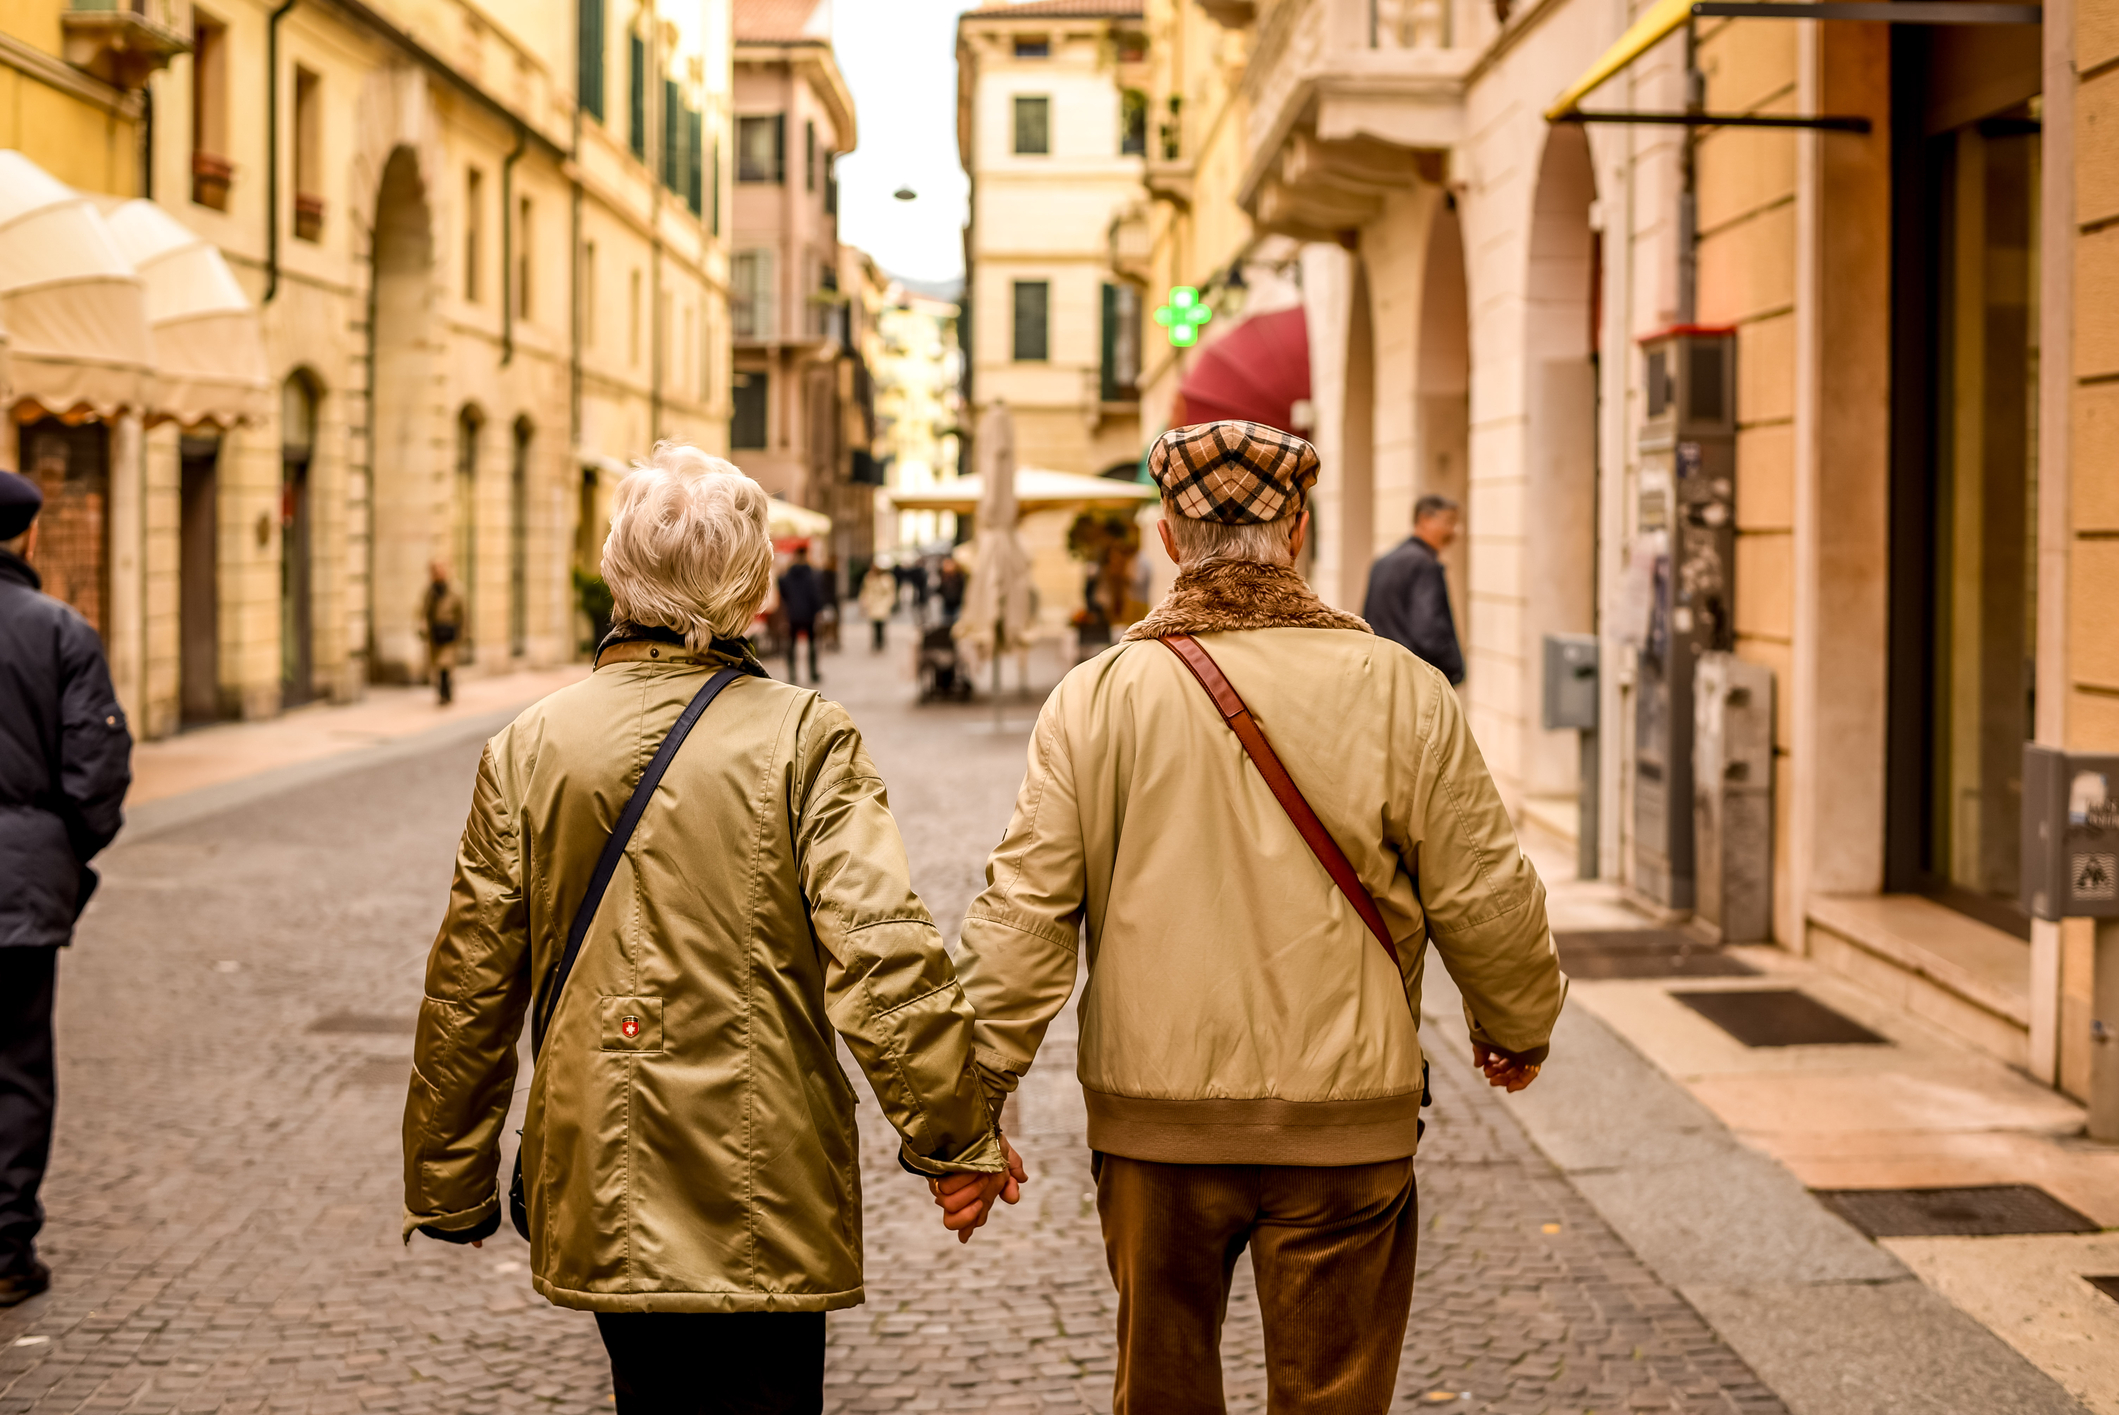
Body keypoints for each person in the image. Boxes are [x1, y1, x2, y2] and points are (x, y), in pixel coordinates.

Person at [948, 422, 1564, 1413]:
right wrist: (1516, 1022)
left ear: (1165, 535)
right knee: (1334, 1394)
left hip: (1154, 1124)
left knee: (1163, 1389)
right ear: (1300, 528)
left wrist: (970, 1105)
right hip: (1347, 1119)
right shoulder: (1402, 689)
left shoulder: (1094, 698)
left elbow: (1022, 917)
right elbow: (1484, 888)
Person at [402, 444, 1023, 1413]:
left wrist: (449, 1177)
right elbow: (882, 947)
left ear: (617, 571)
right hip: (765, 1168)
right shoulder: (805, 735)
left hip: (602, 1156)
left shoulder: (532, 743)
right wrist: (956, 1136)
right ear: (752, 588)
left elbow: (473, 976)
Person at [0, 467, 132, 1308]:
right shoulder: (58, 630)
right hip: (21, 888)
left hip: (26, 874)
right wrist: (62, 854)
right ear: (31, 537)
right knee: (16, 1066)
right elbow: (96, 775)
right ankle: (7, 1245)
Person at [1362, 493, 1465, 685]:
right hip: (1413, 679)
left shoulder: (1384, 562)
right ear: (1424, 520)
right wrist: (1454, 670)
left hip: (1383, 674)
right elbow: (1429, 630)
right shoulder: (1425, 564)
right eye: (1449, 522)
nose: (1455, 531)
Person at [777, 543, 824, 684]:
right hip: (808, 614)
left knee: (791, 645)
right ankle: (813, 673)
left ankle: (792, 674)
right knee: (812, 644)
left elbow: (782, 588)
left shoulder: (788, 574)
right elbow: (815, 594)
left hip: (793, 613)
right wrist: (818, 611)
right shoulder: (812, 573)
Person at [421, 562, 466, 704]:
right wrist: (423, 628)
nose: (437, 574)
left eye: (440, 571)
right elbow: (424, 612)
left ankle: (445, 693)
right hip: (435, 634)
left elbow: (463, 614)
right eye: (434, 572)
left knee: (445, 664)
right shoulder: (430, 592)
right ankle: (442, 691)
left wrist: (464, 633)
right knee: (437, 666)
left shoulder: (456, 590)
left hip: (450, 633)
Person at [859, 560, 897, 652]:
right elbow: (865, 590)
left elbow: (891, 592)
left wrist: (890, 602)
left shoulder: (887, 579)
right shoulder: (869, 577)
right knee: (874, 625)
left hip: (882, 604)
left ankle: (881, 642)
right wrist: (864, 602)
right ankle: (876, 642)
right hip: (873, 604)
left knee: (881, 625)